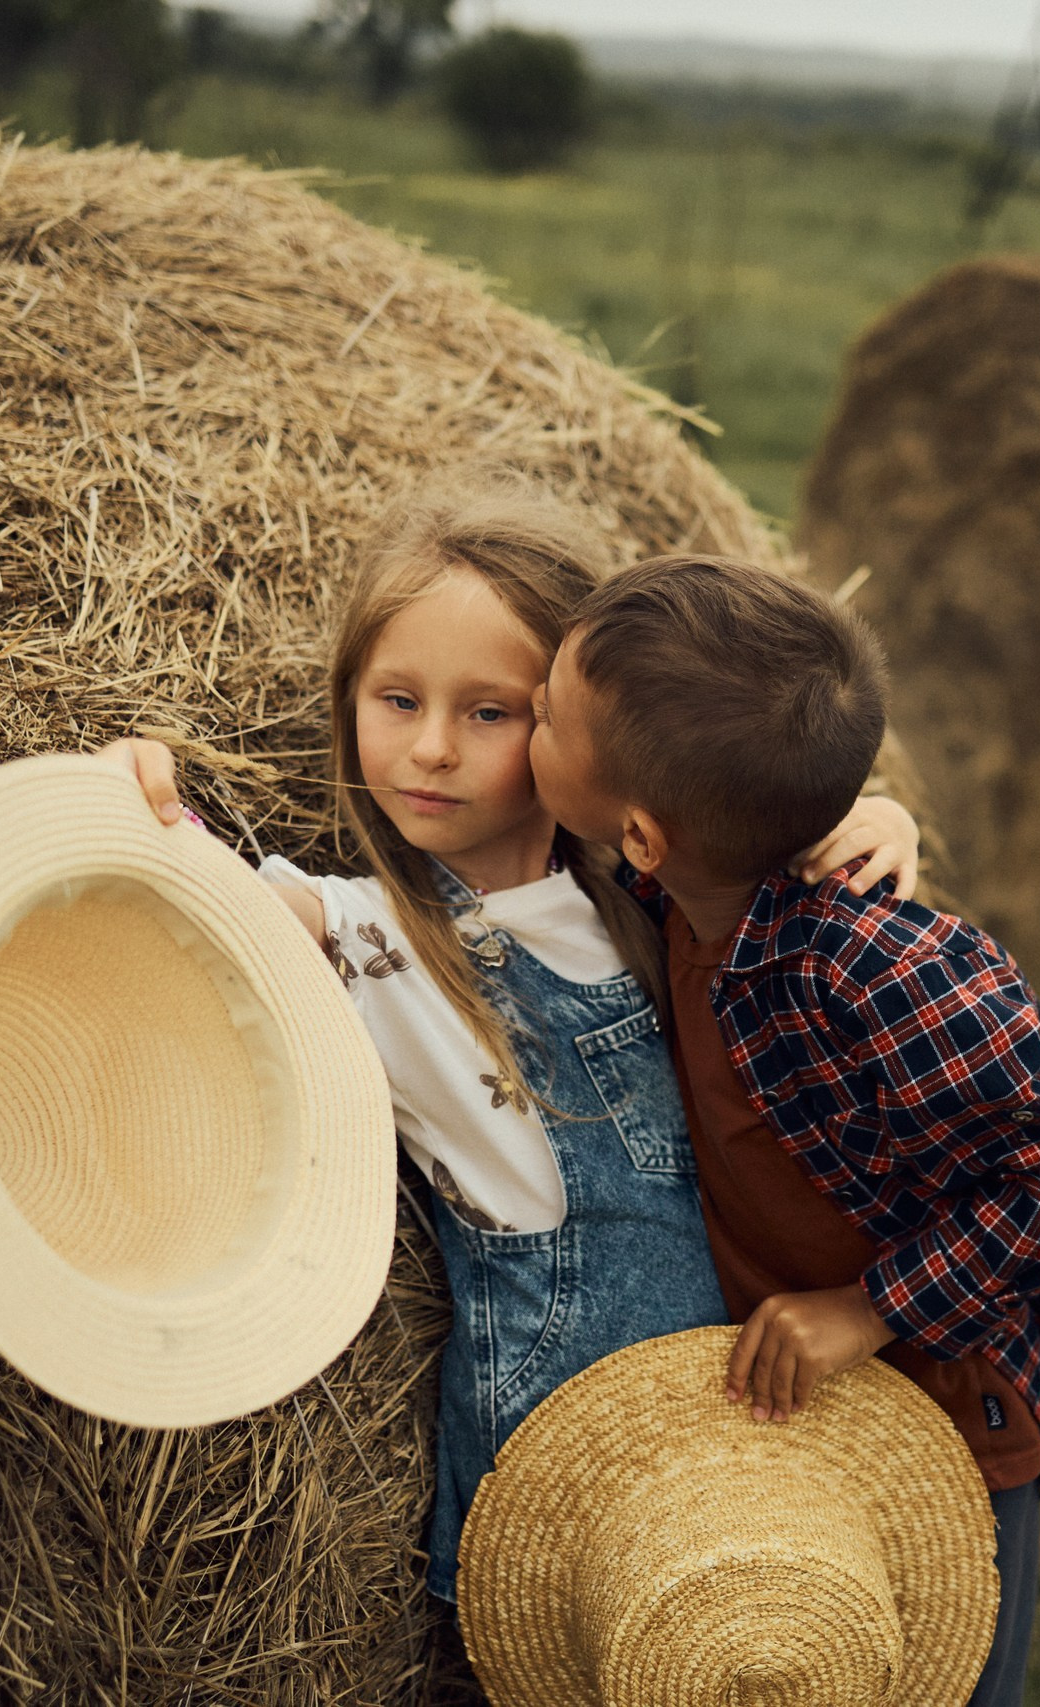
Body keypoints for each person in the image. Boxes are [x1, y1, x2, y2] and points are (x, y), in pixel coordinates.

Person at [94, 480, 921, 1609]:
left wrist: (873, 817)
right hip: (548, 1443)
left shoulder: (649, 896)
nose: (429, 748)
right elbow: (192, 905)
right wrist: (131, 794)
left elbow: (760, 788)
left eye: (489, 712)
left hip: (730, 1415)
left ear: (582, 731)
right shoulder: (368, 936)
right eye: (395, 699)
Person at [527, 552, 1040, 1707]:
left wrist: (871, 1309)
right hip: (796, 1398)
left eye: (538, 716)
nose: (526, 711)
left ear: (639, 834)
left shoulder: (872, 968)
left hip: (946, 1405)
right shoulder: (681, 894)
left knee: (931, 1666)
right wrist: (870, 801)